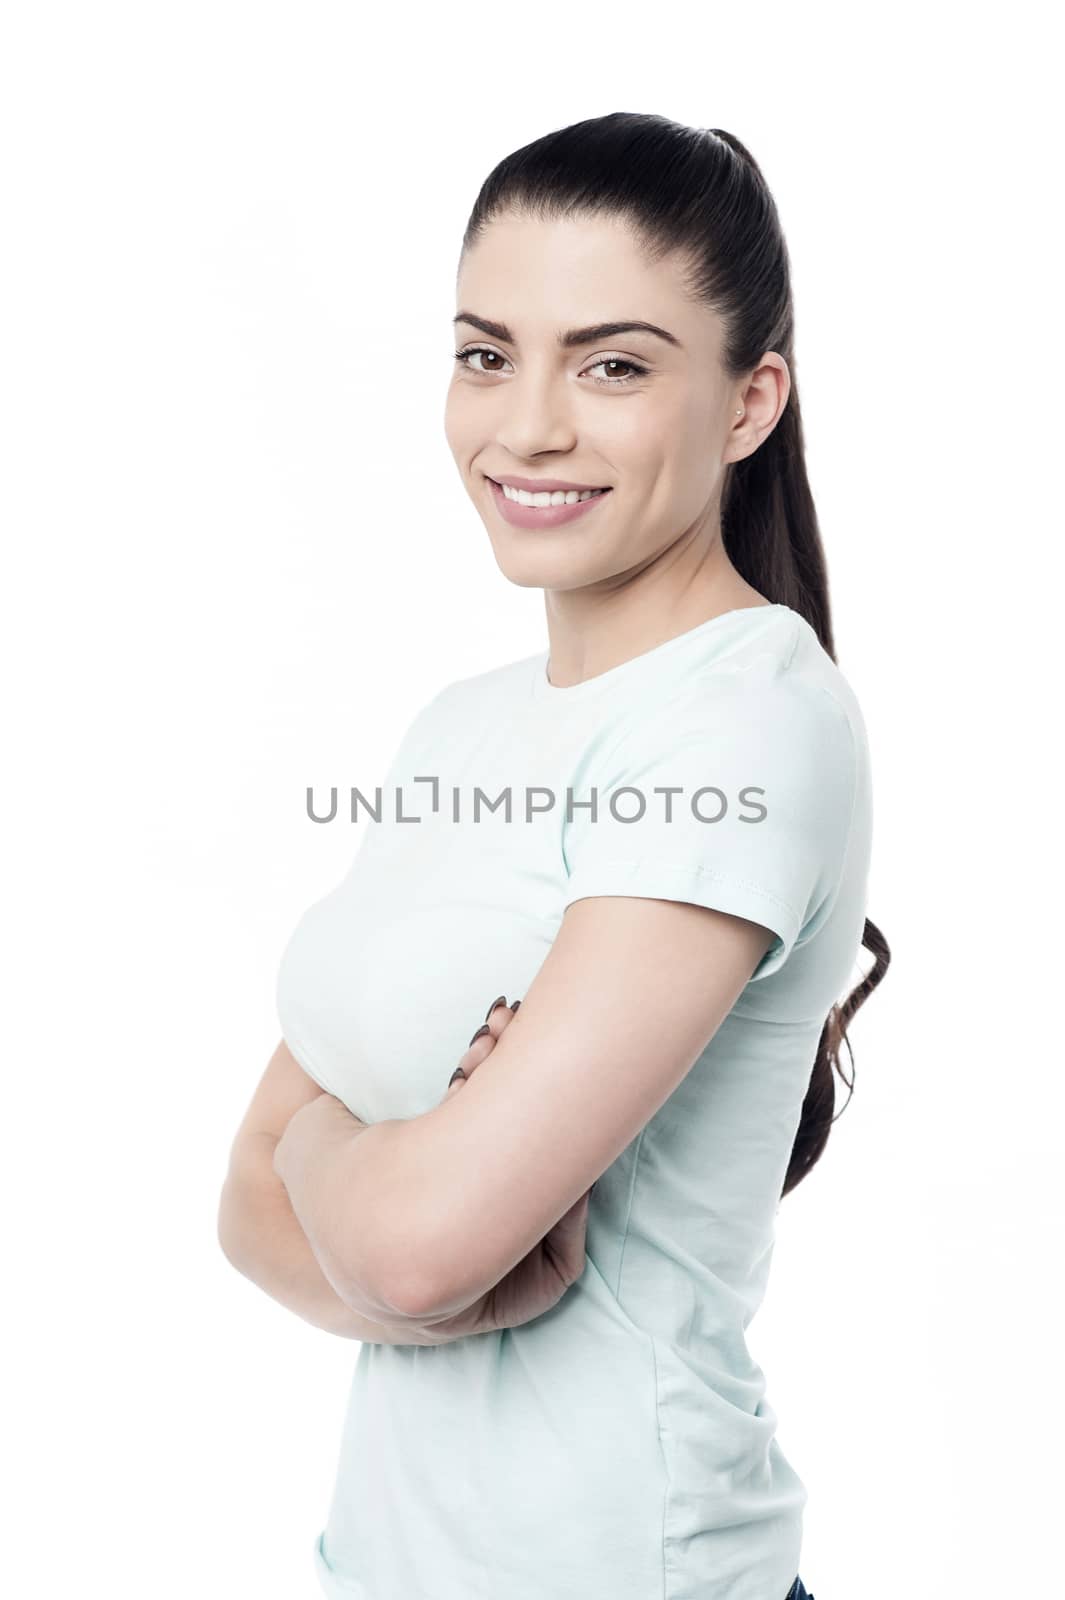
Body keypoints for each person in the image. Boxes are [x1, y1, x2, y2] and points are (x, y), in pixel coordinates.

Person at [222, 111, 890, 1600]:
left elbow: (401, 1250)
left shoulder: (746, 722)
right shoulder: (458, 728)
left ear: (745, 401)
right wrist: (376, 1188)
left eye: (612, 364)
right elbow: (248, 1217)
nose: (524, 425)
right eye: (483, 353)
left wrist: (321, 1151)